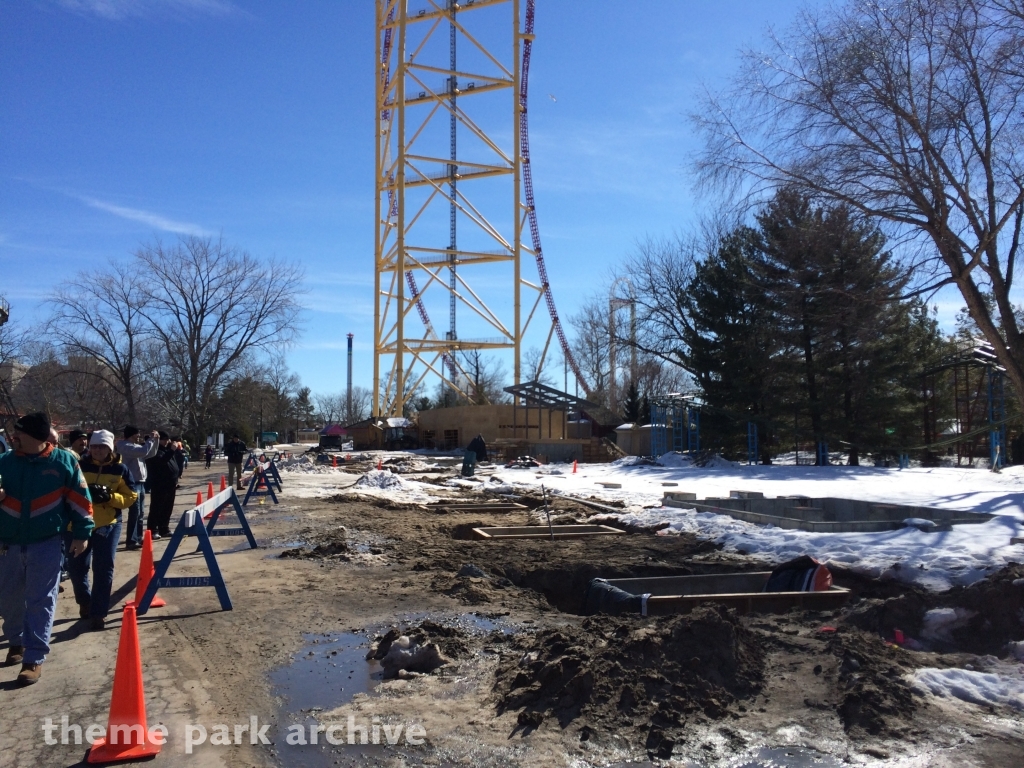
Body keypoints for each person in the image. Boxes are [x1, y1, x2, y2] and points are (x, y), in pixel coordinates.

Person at [0, 412, 94, 685]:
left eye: (19, 432)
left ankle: (33, 658)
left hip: (47, 542)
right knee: (8, 599)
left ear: (35, 437)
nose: (14, 437)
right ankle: (16, 641)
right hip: (7, 543)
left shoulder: (64, 462)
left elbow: (81, 500)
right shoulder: (5, 462)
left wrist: (82, 533)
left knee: (40, 600)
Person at [70, 430, 137, 631]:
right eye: (94, 446)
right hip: (77, 524)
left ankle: (98, 613)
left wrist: (110, 497)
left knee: (103, 568)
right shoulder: (79, 466)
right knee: (76, 568)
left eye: (102, 447)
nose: (97, 450)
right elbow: (66, 491)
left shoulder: (120, 469)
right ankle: (85, 601)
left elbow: (131, 496)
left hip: (108, 524)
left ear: (110, 448)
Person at [115, 426, 159, 551]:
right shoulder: (124, 446)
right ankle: (131, 540)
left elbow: (151, 453)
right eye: (137, 434)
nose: (139, 436)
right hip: (131, 482)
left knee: (140, 513)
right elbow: (143, 451)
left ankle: (138, 537)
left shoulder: (136, 447)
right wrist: (151, 439)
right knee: (135, 512)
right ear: (131, 435)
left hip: (140, 482)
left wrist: (155, 440)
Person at [144, 432, 180, 539]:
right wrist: (171, 450)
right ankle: (153, 529)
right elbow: (162, 461)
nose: (167, 442)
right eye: (164, 439)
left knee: (167, 507)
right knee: (157, 507)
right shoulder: (155, 451)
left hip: (171, 483)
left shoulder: (166, 450)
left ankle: (164, 528)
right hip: (159, 483)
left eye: (167, 439)